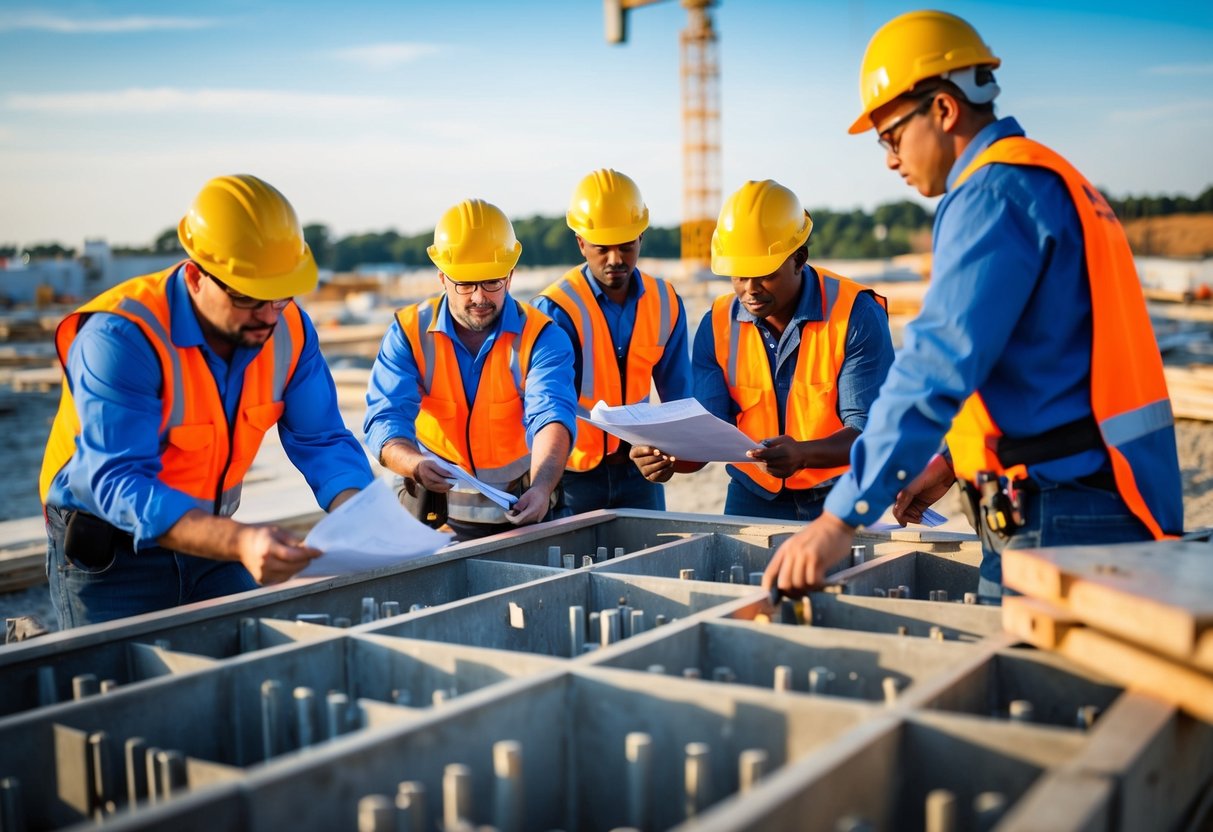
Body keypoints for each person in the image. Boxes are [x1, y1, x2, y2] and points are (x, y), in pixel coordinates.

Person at [765, 10, 1183, 601]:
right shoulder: (1046, 178)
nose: (889, 158)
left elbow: (934, 367)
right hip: (1097, 495)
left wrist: (841, 519)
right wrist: (949, 461)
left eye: (891, 136)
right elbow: (1037, 365)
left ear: (943, 109)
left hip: (1061, 511)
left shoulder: (991, 194)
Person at [40, 174, 374, 629]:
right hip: (114, 554)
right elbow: (119, 480)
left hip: (214, 543)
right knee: (119, 693)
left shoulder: (289, 328)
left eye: (281, 296)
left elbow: (321, 438)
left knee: (241, 672)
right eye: (249, 298)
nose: (268, 316)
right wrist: (238, 543)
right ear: (196, 276)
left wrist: (355, 510)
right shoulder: (122, 335)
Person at [631, 179, 894, 521]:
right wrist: (667, 460)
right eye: (739, 275)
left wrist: (803, 454)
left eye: (764, 274)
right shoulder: (718, 324)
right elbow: (709, 432)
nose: (750, 289)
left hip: (839, 496)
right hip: (751, 496)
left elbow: (869, 430)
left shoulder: (855, 315)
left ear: (799, 258)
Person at [364, 198, 576, 541]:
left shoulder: (542, 337)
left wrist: (541, 488)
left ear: (510, 275)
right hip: (431, 516)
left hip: (518, 513)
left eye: (492, 282)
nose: (479, 297)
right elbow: (385, 419)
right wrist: (414, 465)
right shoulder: (409, 333)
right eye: (465, 284)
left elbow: (551, 416)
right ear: (442, 278)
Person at [532, 169, 692, 514]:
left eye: (626, 246)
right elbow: (545, 405)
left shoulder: (665, 301)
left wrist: (672, 456)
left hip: (640, 472)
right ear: (581, 243)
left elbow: (679, 399)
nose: (616, 259)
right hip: (572, 475)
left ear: (641, 238)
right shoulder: (555, 308)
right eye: (602, 249)